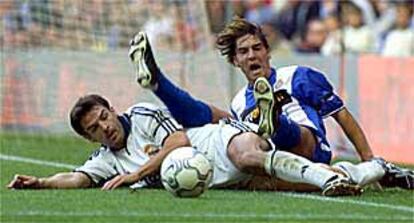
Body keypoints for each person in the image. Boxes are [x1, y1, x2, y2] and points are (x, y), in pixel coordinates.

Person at [127, 17, 413, 189]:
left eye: (257, 48)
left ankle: (273, 116)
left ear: (268, 52)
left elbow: (343, 117)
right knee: (215, 119)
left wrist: (367, 158)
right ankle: (158, 84)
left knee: (283, 133)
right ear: (235, 61)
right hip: (272, 159)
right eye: (244, 52)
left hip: (309, 147)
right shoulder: (240, 100)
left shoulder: (299, 76)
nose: (252, 56)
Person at [10, 94, 394, 195]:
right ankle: (376, 169)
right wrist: (41, 182)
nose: (105, 128)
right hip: (219, 179)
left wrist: (138, 175)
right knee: (302, 184)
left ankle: (271, 129)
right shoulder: (107, 158)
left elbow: (178, 141)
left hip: (216, 141)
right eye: (95, 129)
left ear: (111, 109)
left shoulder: (141, 114)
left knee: (247, 156)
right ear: (89, 137)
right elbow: (79, 178)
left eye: (104, 117)